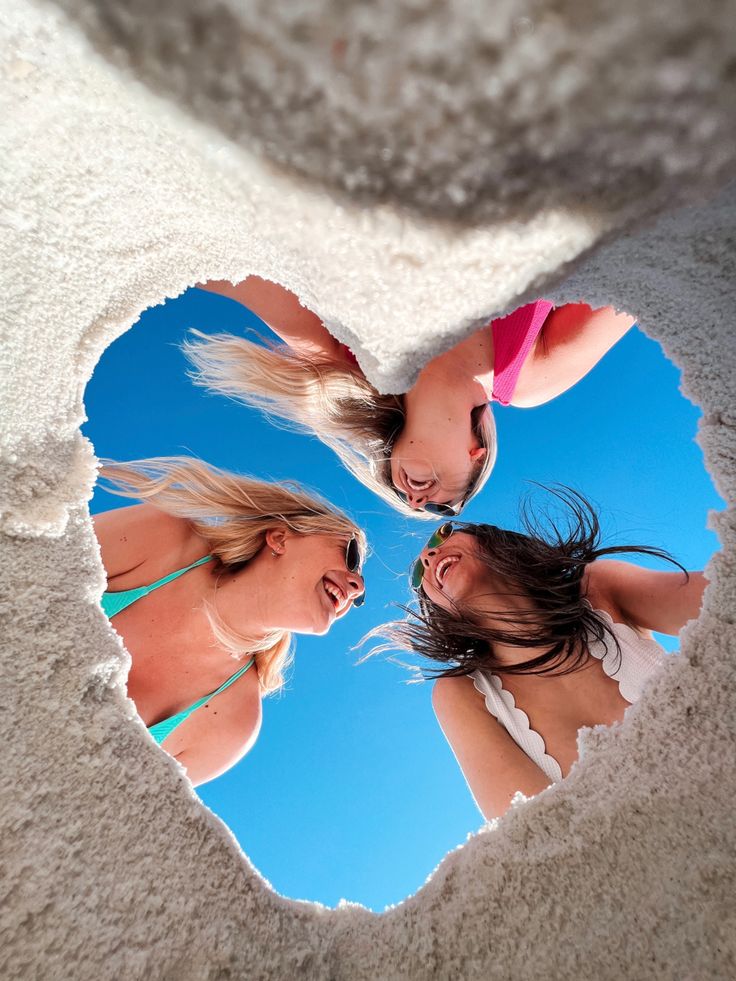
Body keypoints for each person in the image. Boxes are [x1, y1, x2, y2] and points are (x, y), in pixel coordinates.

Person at [184, 276, 635, 518]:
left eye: (410, 503)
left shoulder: (344, 361)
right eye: (446, 506)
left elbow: (238, 272)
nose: (418, 501)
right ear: (477, 456)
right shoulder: (529, 376)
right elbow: (632, 275)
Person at [381, 490, 706, 819]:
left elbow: (723, 598)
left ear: (491, 540)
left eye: (444, 532)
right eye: (418, 577)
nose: (429, 556)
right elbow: (533, 833)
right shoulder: (462, 695)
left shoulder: (599, 588)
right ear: (441, 615)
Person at [94, 456, 366, 785]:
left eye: (360, 598)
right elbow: (24, 562)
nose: (357, 587)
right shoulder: (163, 538)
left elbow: (113, 815)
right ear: (280, 537)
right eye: (350, 554)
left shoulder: (234, 721)